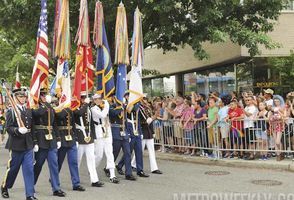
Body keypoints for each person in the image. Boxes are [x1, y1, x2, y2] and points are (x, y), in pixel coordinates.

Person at [1, 88, 37, 200]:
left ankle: (30, 195)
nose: (23, 98)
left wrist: (35, 142)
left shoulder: (28, 110)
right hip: (16, 145)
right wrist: (17, 130)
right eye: (21, 97)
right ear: (15, 98)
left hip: (28, 145)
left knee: (29, 170)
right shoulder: (11, 111)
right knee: (12, 169)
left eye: (24, 97)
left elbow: (33, 127)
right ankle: (5, 187)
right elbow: (8, 128)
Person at [32, 89, 65, 197]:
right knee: (38, 165)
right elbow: (37, 114)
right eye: (43, 95)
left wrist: (59, 138)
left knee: (54, 165)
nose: (45, 96)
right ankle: (31, 185)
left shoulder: (49, 106)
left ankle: (56, 188)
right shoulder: (34, 106)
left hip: (51, 139)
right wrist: (35, 142)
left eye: (45, 94)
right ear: (38, 96)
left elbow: (54, 123)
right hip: (41, 139)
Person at [74, 92, 103, 187]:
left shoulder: (89, 109)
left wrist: (93, 137)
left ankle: (94, 180)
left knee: (91, 159)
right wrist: (85, 104)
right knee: (77, 160)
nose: (85, 99)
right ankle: (75, 179)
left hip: (89, 136)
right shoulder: (76, 107)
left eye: (86, 98)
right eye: (83, 98)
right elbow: (78, 114)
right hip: (80, 137)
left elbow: (91, 124)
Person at [117, 95, 149, 178]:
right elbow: (128, 112)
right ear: (127, 97)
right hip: (130, 131)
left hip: (136, 131)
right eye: (130, 96)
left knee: (139, 151)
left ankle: (140, 170)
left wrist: (140, 132)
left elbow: (139, 120)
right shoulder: (125, 106)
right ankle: (120, 165)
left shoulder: (138, 106)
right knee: (128, 152)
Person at [55, 104, 85, 192]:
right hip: (62, 136)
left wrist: (76, 138)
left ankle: (76, 183)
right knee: (58, 162)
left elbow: (73, 124)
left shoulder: (70, 108)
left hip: (71, 137)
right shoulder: (56, 108)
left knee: (74, 162)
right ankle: (54, 178)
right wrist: (66, 107)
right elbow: (60, 116)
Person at [91, 93, 119, 183]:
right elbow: (103, 115)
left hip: (107, 131)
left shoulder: (105, 106)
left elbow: (111, 113)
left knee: (109, 153)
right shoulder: (93, 109)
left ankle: (112, 175)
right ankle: (92, 169)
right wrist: (107, 105)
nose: (99, 100)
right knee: (99, 155)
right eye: (96, 99)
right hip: (99, 132)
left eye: (100, 98)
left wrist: (110, 104)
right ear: (94, 101)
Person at [131, 98, 162, 174]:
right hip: (142, 132)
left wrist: (153, 131)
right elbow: (146, 121)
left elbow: (150, 122)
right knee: (139, 150)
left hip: (148, 132)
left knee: (151, 151)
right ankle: (133, 164)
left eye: (145, 100)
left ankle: (154, 168)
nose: (145, 101)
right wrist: (154, 116)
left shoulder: (147, 109)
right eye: (143, 100)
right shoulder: (139, 109)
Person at [108, 95, 136, 181]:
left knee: (127, 153)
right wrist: (122, 107)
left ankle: (128, 173)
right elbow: (114, 113)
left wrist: (129, 132)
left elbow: (127, 118)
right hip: (116, 132)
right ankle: (108, 167)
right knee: (115, 153)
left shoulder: (123, 107)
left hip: (124, 132)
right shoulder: (110, 107)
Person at [269, 95, 287, 161]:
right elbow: (269, 117)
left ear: (280, 101)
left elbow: (284, 116)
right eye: (275, 101)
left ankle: (281, 152)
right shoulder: (272, 108)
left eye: (278, 101)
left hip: (280, 125)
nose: (276, 102)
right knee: (275, 141)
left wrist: (278, 111)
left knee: (277, 141)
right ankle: (278, 154)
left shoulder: (283, 108)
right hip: (273, 126)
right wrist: (271, 117)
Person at [243, 96, 258, 160]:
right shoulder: (246, 107)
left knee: (251, 141)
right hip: (246, 125)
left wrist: (242, 109)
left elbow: (248, 114)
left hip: (251, 125)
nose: (247, 101)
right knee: (248, 141)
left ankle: (252, 155)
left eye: (248, 100)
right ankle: (250, 153)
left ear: (252, 100)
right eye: (246, 100)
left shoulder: (253, 107)